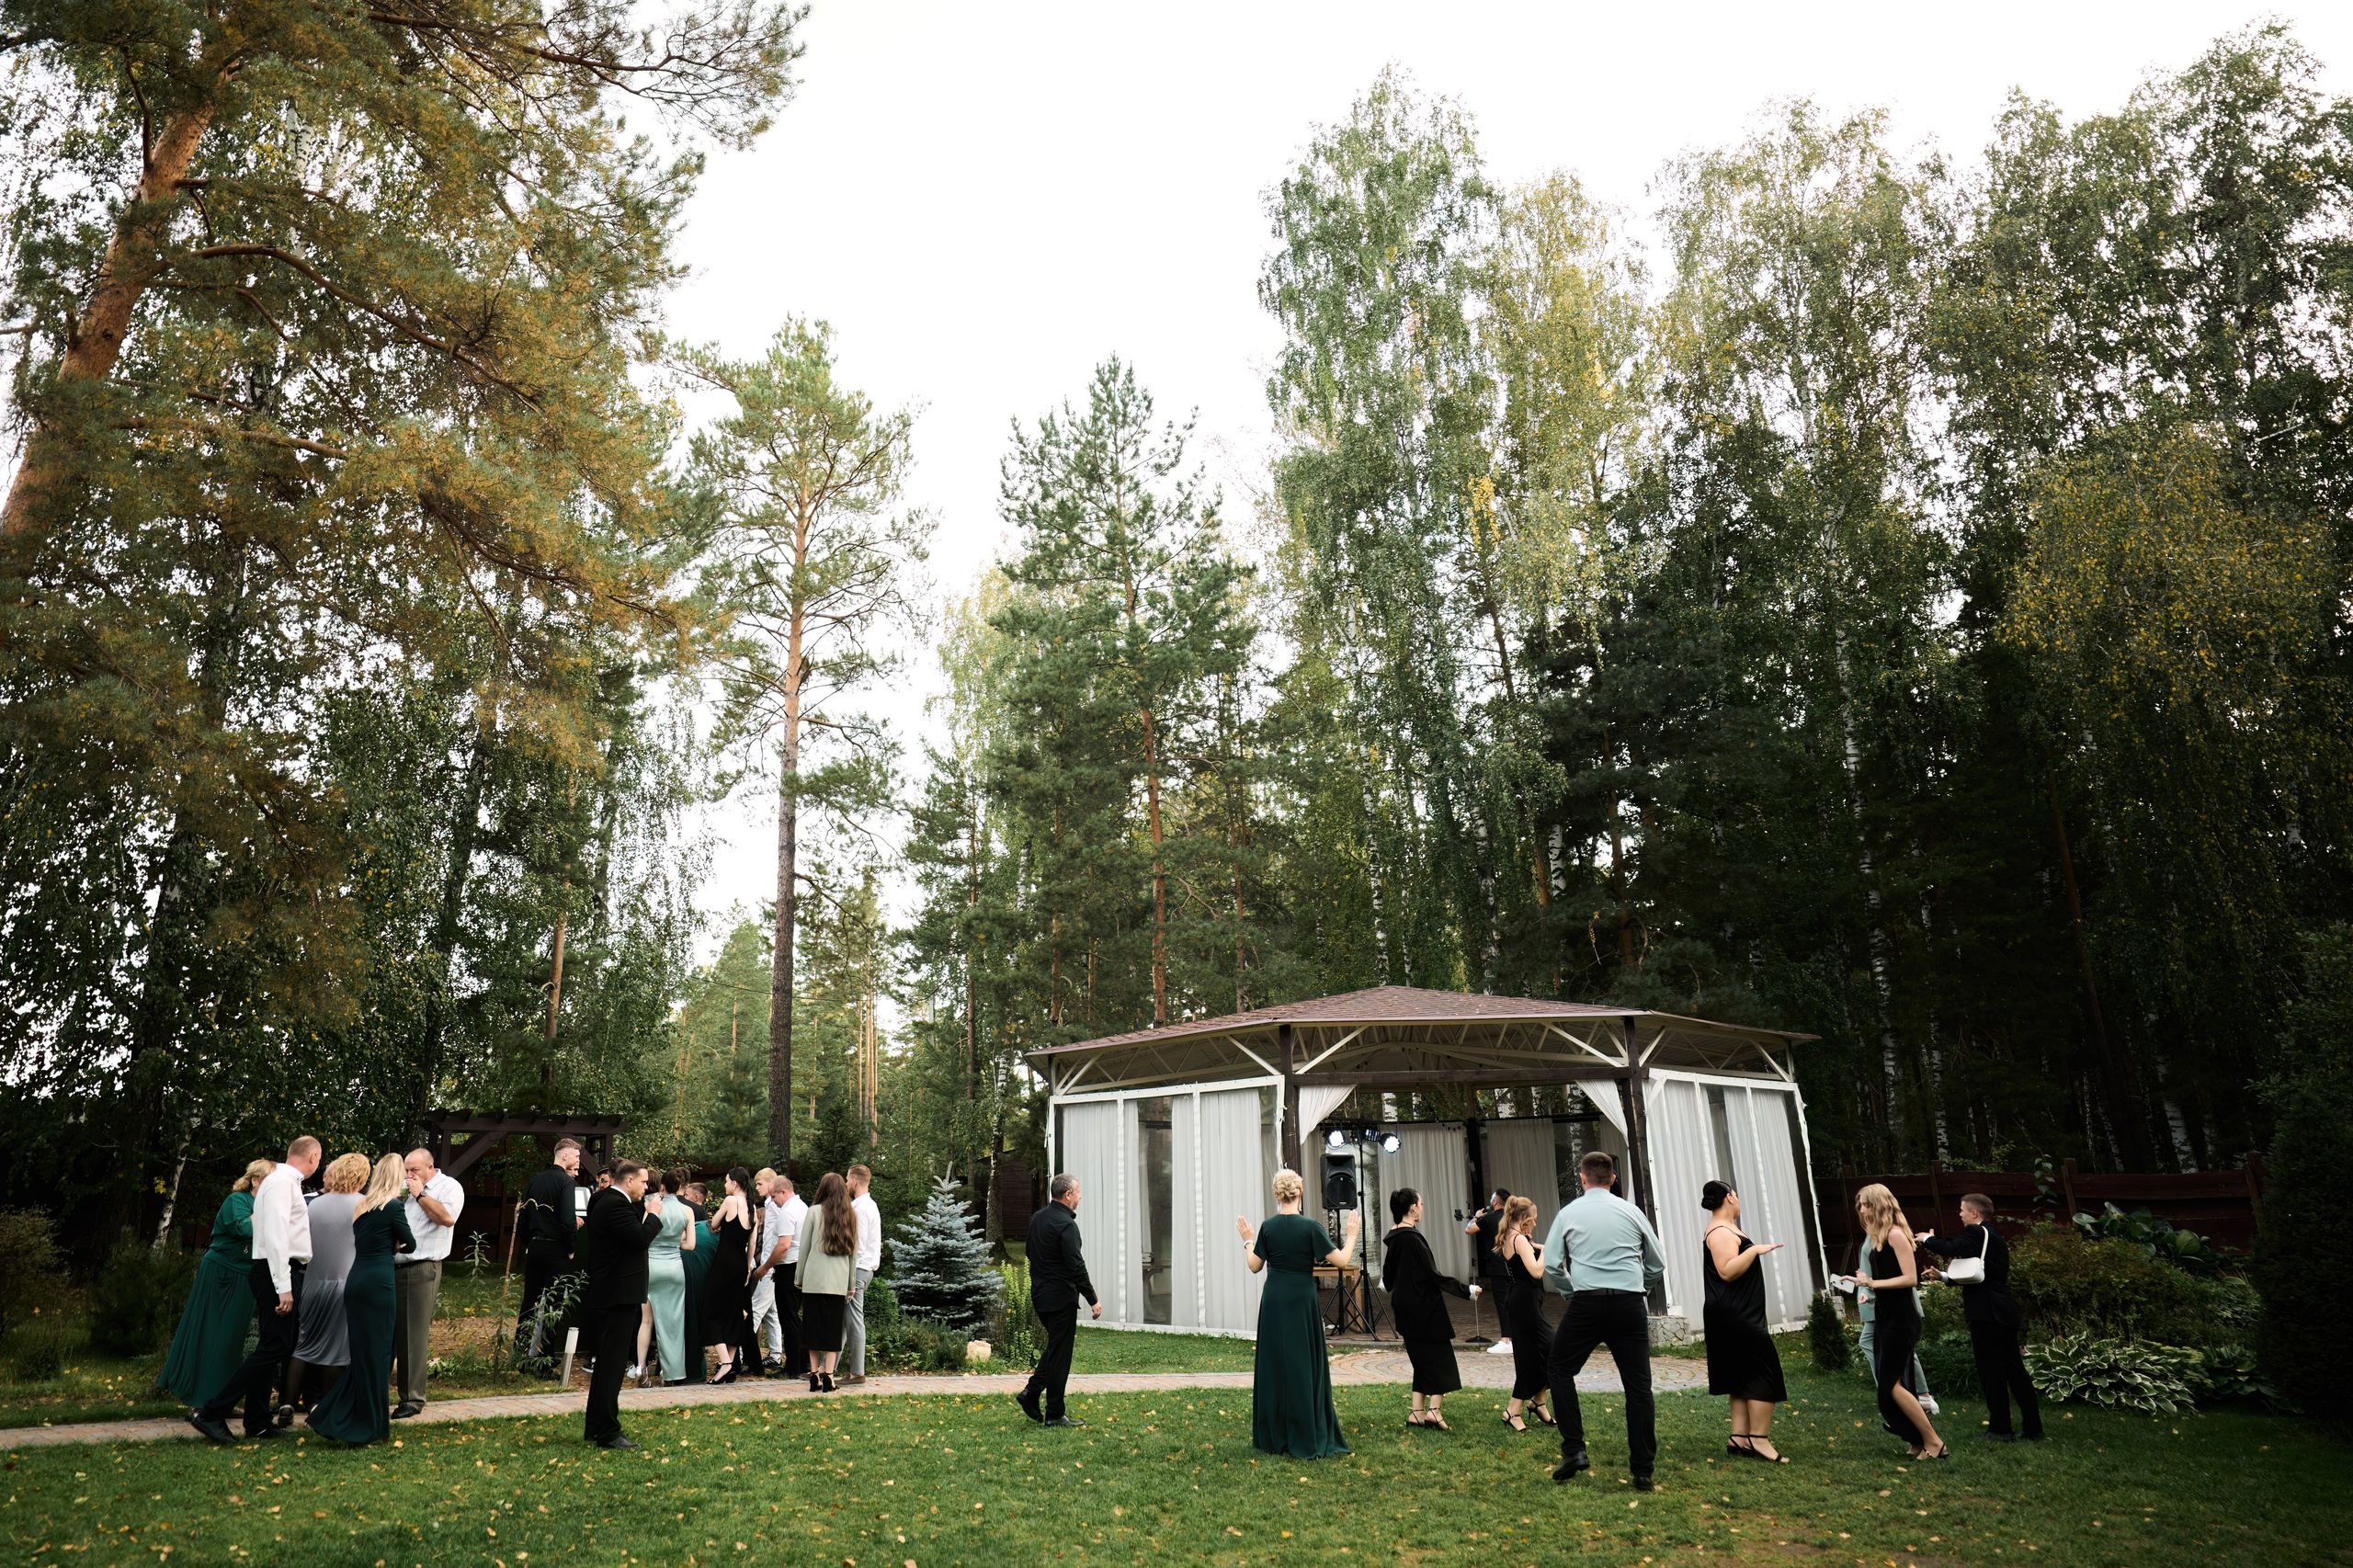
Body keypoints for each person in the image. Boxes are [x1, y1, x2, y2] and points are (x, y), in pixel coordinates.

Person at [1541, 1151, 1666, 1490]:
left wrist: (1570, 1292)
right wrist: (1638, 1288)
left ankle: (1574, 1449)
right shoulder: (1632, 1211)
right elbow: (1656, 1264)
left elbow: (1552, 1265)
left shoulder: (1568, 1213)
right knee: (1638, 1387)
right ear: (1612, 1179)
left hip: (1587, 1303)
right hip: (1629, 1305)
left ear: (1582, 1179)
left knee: (1559, 1368)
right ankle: (1642, 1470)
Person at [190, 1135, 321, 1444]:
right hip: (277, 1270)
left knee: (274, 1344)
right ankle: (212, 1412)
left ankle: (257, 1421)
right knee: (275, 1346)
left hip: (279, 1270)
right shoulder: (282, 1182)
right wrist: (284, 1285)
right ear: (314, 1157)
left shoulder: (283, 1182)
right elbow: (276, 1236)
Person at [1238, 1167, 1360, 1460]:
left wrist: (1247, 1239)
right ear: (1300, 1193)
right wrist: (1352, 1235)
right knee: (1303, 1363)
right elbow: (1342, 1261)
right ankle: (1307, 1430)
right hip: (1301, 1299)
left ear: (1277, 1195)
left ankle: (1275, 1434)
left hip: (1275, 1298)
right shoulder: (1311, 1227)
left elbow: (1255, 1266)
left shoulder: (1267, 1227)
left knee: (1276, 1362)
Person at [307, 1153, 417, 1446]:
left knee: (362, 1358)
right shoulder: (394, 1207)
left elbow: (366, 1239)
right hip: (379, 1284)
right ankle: (361, 1427)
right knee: (377, 1357)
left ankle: (356, 1421)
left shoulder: (361, 1205)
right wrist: (393, 1244)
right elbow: (411, 1243)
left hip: (356, 1281)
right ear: (396, 1178)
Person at [1920, 1193, 2043, 1442]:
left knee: (1991, 1371)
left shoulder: (1976, 1232)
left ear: (1975, 1213)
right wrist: (1943, 1277)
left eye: (1962, 1210)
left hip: (1987, 1314)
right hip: (2001, 1311)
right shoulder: (1993, 1235)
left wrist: (1927, 1239)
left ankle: (2000, 1430)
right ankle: (2033, 1429)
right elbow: (1981, 1274)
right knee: (2014, 1371)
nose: (1960, 1214)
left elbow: (1950, 1248)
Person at [1840, 1183, 1947, 1460]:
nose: (1862, 1210)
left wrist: (1872, 1282)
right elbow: (1880, 1276)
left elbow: (1911, 1279)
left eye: (1867, 1205)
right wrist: (1861, 1282)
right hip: (1885, 1316)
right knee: (1897, 1385)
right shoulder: (1876, 1236)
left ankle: (1934, 1442)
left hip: (1902, 1317)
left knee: (1890, 1385)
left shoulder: (1896, 1234)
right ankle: (1915, 1440)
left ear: (1882, 1204)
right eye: (1860, 1205)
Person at [159, 1158, 272, 1410]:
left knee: (232, 1340)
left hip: (246, 1277)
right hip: (222, 1274)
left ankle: (220, 1400)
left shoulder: (265, 1205)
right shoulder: (238, 1201)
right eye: (269, 1182)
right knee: (212, 1335)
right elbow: (243, 1228)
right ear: (255, 1180)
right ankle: (200, 1399)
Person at [1700, 1179, 1790, 1463]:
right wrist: (1754, 1250)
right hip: (1736, 1314)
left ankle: (1739, 1437)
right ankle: (1760, 1440)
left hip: (1734, 1312)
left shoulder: (1725, 1228)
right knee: (1765, 1373)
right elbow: (1726, 1271)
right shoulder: (1722, 1232)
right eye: (1736, 1195)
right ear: (1729, 1198)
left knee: (1740, 1375)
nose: (1738, 1200)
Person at [580, 1160, 665, 1449]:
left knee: (608, 1364)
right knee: (613, 1366)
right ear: (629, 1180)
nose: (646, 1187)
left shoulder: (609, 1200)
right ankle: (608, 1431)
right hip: (616, 1294)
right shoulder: (616, 1204)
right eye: (643, 1182)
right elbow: (640, 1239)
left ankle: (596, 1426)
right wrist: (653, 1215)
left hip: (613, 1292)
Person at [283, 1153, 369, 1420]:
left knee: (304, 1345)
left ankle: (286, 1404)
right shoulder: (364, 1205)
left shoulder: (314, 1206)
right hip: (345, 1284)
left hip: (312, 1283)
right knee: (337, 1351)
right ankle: (326, 1410)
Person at [1382, 1187, 1472, 1429]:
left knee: (1422, 1359)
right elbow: (1433, 1275)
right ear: (1413, 1208)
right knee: (1442, 1357)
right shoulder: (1412, 1238)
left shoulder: (1395, 1238)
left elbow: (1387, 1278)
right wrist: (1467, 1291)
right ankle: (1434, 1410)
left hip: (1404, 1307)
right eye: (1420, 1204)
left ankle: (1416, 1413)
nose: (1422, 1208)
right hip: (1424, 1308)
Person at [1017, 1173, 1099, 1427]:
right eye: (1078, 1192)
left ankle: (1032, 1393)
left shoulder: (1036, 1219)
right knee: (1059, 1354)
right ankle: (1053, 1413)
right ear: (1067, 1195)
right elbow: (1076, 1265)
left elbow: (1030, 1253)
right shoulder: (1066, 1225)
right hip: (1061, 1298)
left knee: (1055, 1349)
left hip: (1040, 1296)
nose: (1080, 1196)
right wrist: (1092, 1298)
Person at [392, 1146, 464, 1418]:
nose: (409, 1175)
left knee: (412, 1334)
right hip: (390, 1266)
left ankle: (412, 1399)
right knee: (386, 1332)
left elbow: (446, 1218)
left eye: (414, 1170)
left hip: (421, 1268)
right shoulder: (402, 1187)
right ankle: (375, 1392)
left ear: (430, 1167)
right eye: (406, 1170)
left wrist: (419, 1194)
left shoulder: (448, 1187)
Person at [1491, 1195, 1556, 1433]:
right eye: (1535, 1219)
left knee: (1538, 1352)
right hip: (1524, 1303)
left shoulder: (1514, 1236)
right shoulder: (1518, 1239)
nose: (1536, 1223)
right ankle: (1513, 1410)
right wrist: (1547, 1251)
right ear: (1525, 1218)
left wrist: (1534, 1246)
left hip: (1522, 1300)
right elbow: (1537, 1272)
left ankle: (1538, 1402)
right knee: (1548, 1350)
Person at [1856, 1230, 1935, 1415]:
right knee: (1895, 1348)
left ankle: (1908, 1394)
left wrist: (1871, 1288)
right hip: (1878, 1299)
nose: (1862, 1211)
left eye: (1866, 1206)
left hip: (1889, 1302)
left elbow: (1900, 1273)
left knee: (1899, 1349)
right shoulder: (1872, 1235)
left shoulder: (1889, 1234)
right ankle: (1911, 1395)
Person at [517, 1138, 583, 1358]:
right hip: (556, 1249)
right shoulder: (566, 1182)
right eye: (576, 1157)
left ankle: (520, 1351)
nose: (577, 1161)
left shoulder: (534, 1181)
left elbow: (523, 1215)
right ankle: (546, 1356)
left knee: (530, 1301)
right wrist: (571, 1246)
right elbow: (567, 1219)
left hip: (535, 1246)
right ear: (564, 1156)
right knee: (554, 1302)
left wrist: (529, 1242)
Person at [794, 1172, 858, 1393]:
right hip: (839, 1281)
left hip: (813, 1278)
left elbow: (804, 1248)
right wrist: (851, 1283)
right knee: (832, 1330)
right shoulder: (850, 1214)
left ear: (823, 1189)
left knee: (812, 1329)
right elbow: (853, 1254)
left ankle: (814, 1375)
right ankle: (829, 1376)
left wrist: (798, 1276)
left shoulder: (812, 1212)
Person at [700, 1166, 760, 1383]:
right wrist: (747, 1268)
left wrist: (718, 1227)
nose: (725, 1185)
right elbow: (752, 1244)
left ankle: (725, 1362)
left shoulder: (731, 1202)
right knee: (735, 1314)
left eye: (727, 1182)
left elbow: (714, 1224)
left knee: (711, 1311)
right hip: (739, 1265)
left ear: (735, 1184)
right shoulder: (753, 1208)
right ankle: (730, 1367)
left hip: (723, 1263)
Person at [753, 1172, 808, 1378]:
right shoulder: (803, 1208)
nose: (772, 1202)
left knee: (788, 1319)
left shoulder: (787, 1211)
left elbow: (783, 1245)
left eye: (774, 1197)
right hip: (798, 1266)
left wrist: (766, 1267)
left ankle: (792, 1368)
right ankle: (802, 1364)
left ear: (783, 1192)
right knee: (794, 1317)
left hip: (788, 1267)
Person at [643, 1170, 696, 1384]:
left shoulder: (652, 1206)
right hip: (675, 1267)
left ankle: (641, 1370)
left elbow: (644, 1237)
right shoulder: (687, 1211)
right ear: (681, 1187)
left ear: (662, 1187)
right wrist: (675, 1244)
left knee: (647, 1321)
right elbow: (691, 1245)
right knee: (674, 1321)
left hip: (652, 1266)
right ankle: (672, 1373)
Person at [840, 1164, 882, 1385]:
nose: (846, 1184)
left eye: (848, 1179)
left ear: (855, 1181)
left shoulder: (859, 1208)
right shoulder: (870, 1205)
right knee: (846, 1319)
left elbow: (858, 1245)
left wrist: (850, 1278)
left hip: (858, 1270)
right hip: (865, 1269)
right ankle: (827, 1367)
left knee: (855, 1320)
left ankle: (857, 1372)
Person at [1466, 1187, 1513, 1356]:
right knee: (1514, 1302)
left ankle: (1507, 1340)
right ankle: (1516, 1338)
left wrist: (1477, 1216)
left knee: (1502, 1303)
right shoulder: (1512, 1218)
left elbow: (1469, 1229)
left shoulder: (1490, 1218)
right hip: (1515, 1265)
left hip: (1497, 1266)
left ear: (1494, 1202)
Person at [746, 1168, 785, 1374]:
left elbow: (778, 1238)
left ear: (772, 1183)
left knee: (755, 1309)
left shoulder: (776, 1206)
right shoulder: (769, 1205)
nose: (757, 1187)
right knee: (772, 1312)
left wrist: (767, 1265)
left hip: (771, 1266)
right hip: (770, 1264)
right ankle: (776, 1354)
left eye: (760, 1184)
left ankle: (744, 1355)